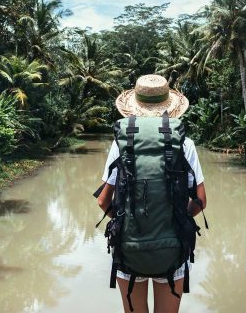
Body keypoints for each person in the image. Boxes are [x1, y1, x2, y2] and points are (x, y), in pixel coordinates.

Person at [96, 74, 207, 313]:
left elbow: (103, 200)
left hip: (128, 247)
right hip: (172, 248)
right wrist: (176, 218)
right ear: (171, 106)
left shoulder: (122, 143)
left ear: (133, 107)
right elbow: (200, 201)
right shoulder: (184, 143)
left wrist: (125, 219)